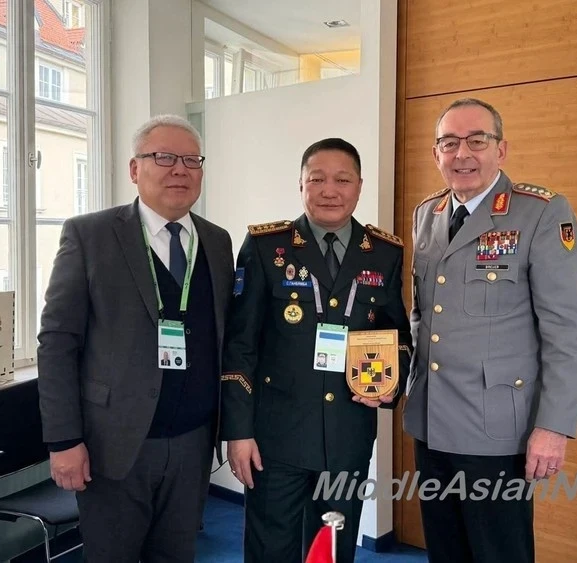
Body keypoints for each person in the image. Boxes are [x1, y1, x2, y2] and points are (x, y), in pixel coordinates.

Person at [403, 98, 577, 562]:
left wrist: (553, 427)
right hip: (431, 422)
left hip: (497, 430)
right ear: (436, 153)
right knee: (445, 551)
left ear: (501, 149)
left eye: (477, 140)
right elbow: (422, 315)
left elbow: (569, 333)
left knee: (499, 553)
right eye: (449, 143)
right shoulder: (427, 214)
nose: (462, 154)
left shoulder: (541, 213)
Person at [37, 114, 234, 563]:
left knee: (177, 555)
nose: (179, 169)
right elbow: (57, 343)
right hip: (115, 443)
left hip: (193, 442)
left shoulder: (217, 242)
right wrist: (63, 440)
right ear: (134, 169)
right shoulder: (90, 236)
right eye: (163, 157)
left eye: (191, 160)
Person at [220, 138, 413, 563]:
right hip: (275, 439)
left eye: (342, 180)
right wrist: (238, 432)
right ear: (301, 184)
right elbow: (240, 345)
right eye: (317, 179)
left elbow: (397, 334)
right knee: (270, 550)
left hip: (347, 436)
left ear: (359, 186)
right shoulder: (266, 247)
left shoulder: (384, 253)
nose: (330, 191)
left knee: (332, 551)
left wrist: (389, 384)